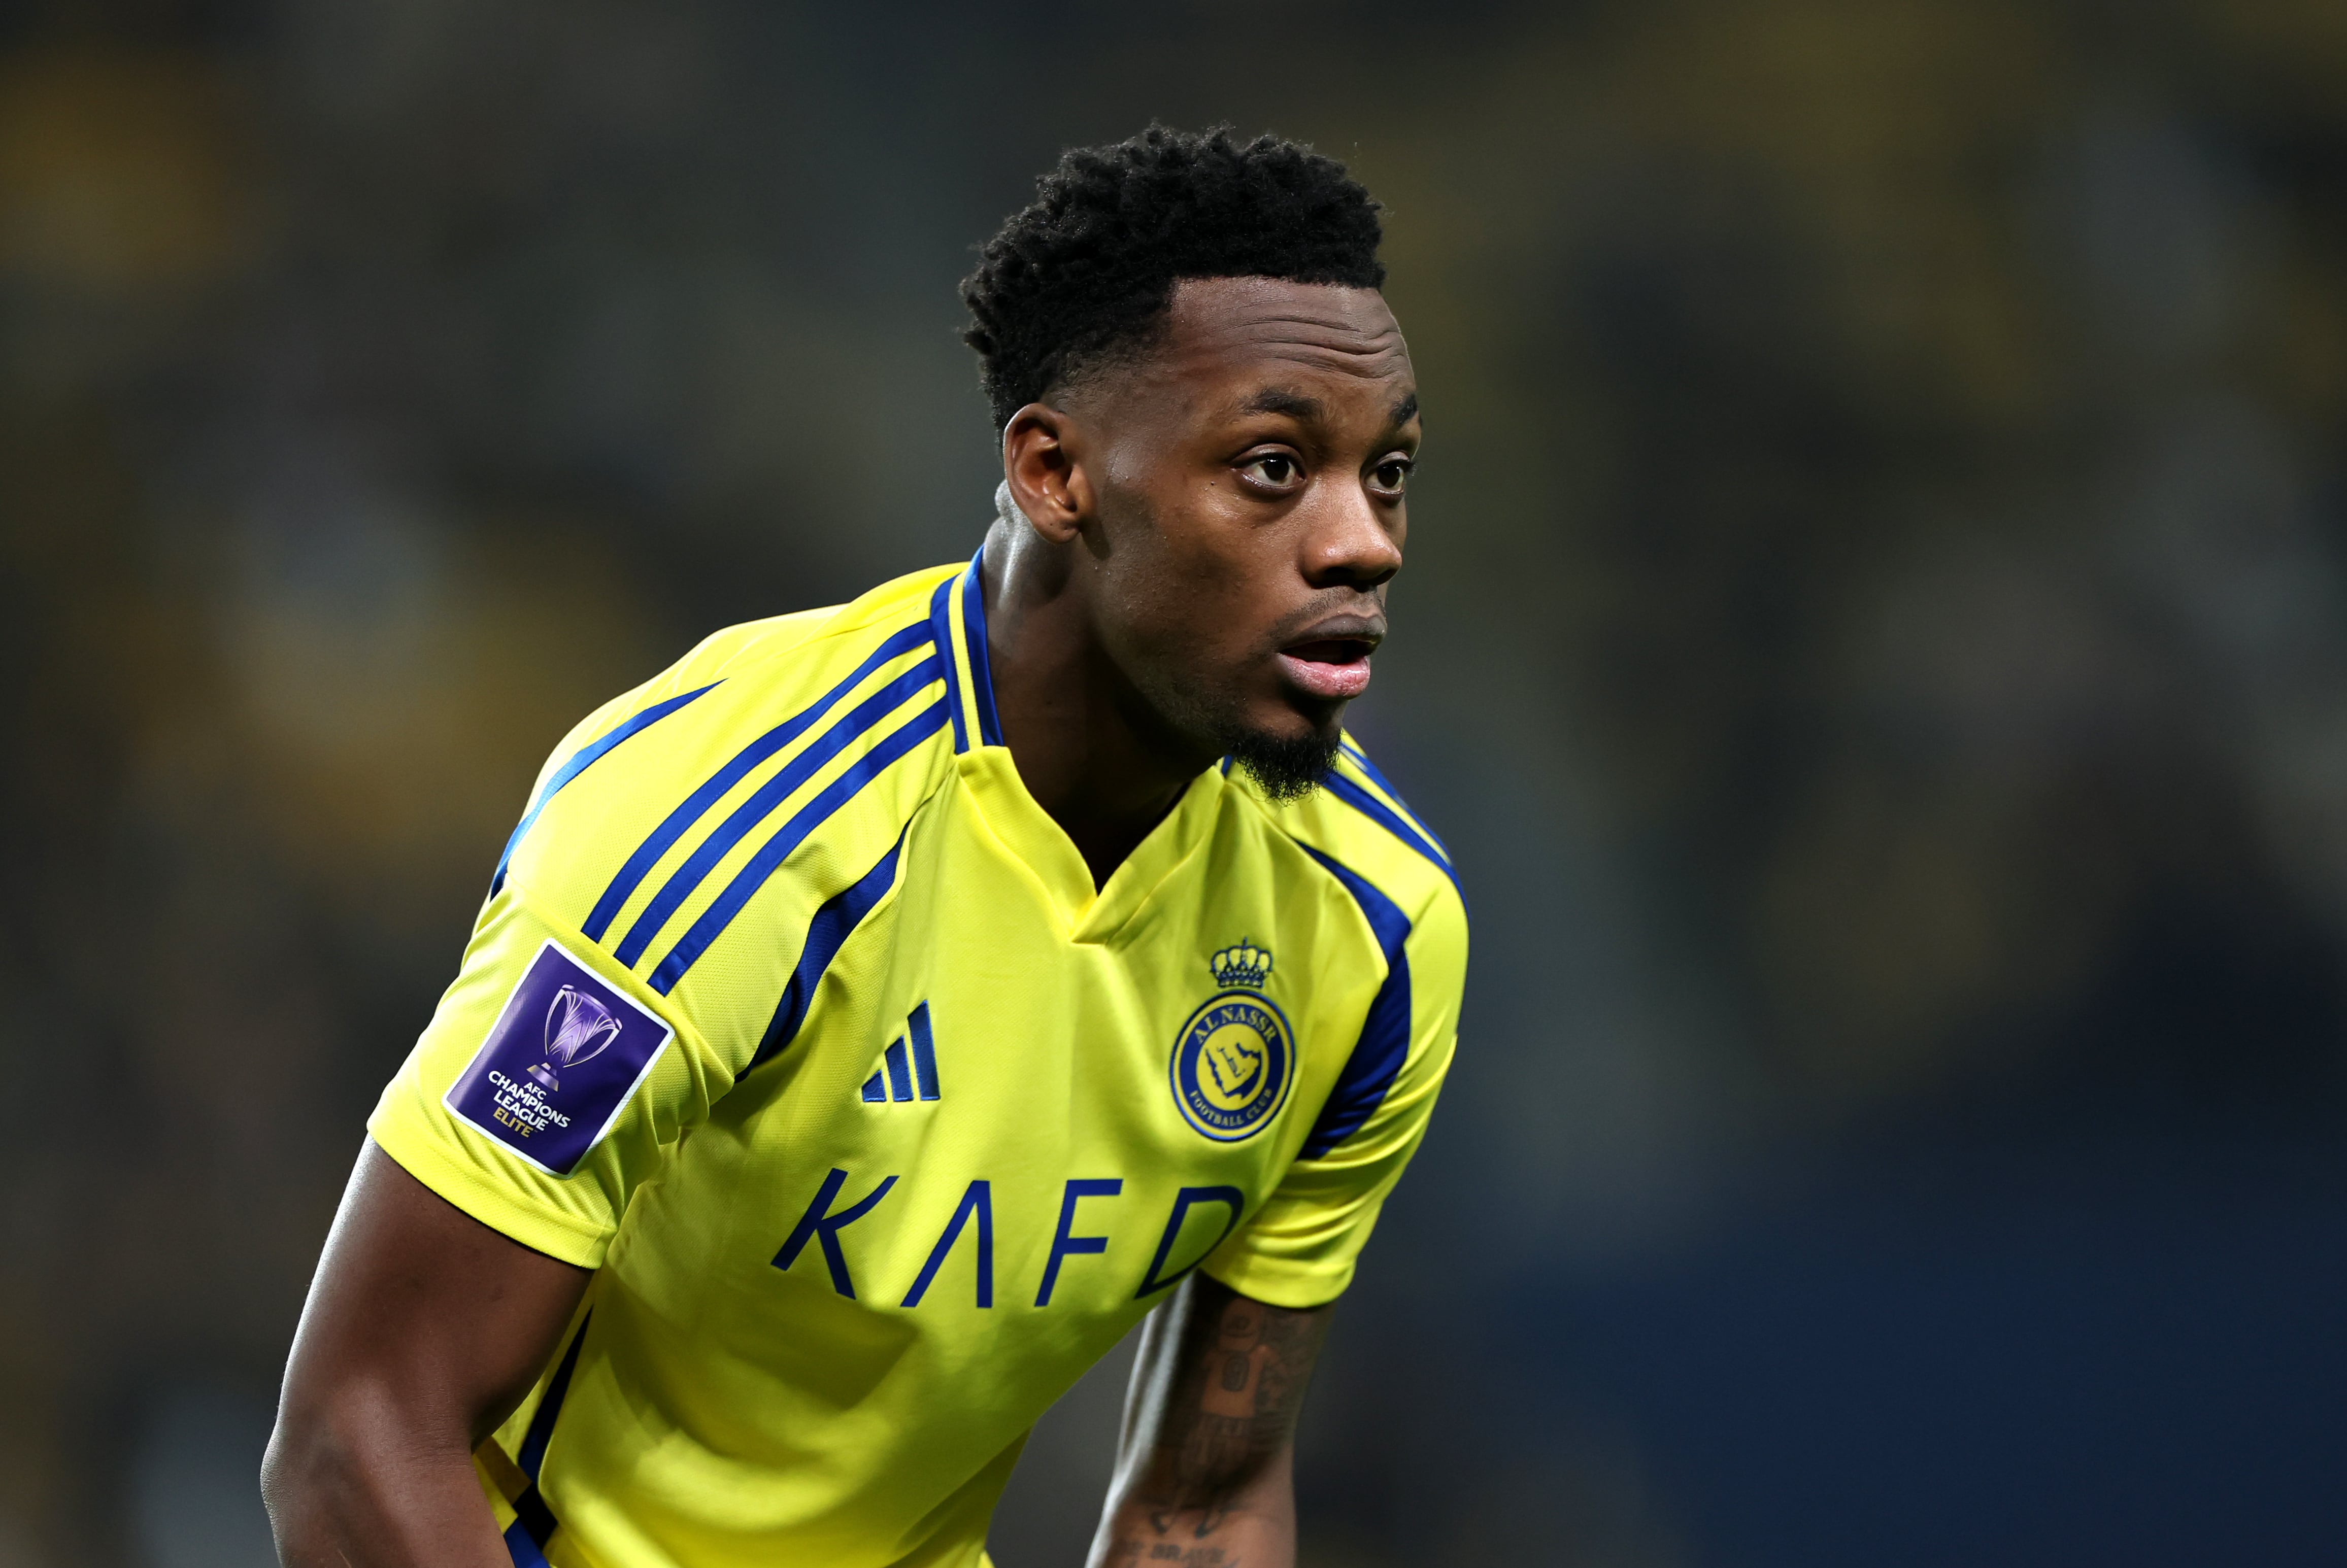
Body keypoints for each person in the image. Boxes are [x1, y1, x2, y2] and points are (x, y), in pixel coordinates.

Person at [263, 123, 1466, 1568]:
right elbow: (360, 1439)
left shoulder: (1374, 931)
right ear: (1054, 472)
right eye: (1274, 468)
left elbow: (1200, 1507)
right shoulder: (724, 823)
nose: (1364, 542)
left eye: (1383, 473)